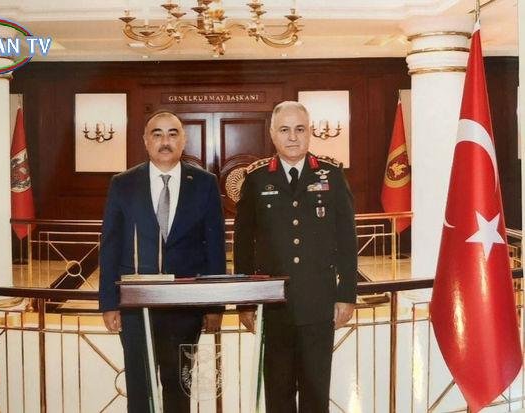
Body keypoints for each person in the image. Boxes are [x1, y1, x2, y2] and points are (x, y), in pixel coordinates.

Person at [234, 101, 357, 412]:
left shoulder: (331, 175)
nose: (292, 137)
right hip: (274, 305)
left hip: (318, 303)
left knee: (316, 392)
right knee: (278, 393)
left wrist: (346, 294)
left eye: (299, 129)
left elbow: (346, 239)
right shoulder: (257, 179)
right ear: (272, 134)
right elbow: (243, 245)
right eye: (285, 130)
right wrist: (245, 301)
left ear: (310, 132)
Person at [99, 110, 226, 413]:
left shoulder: (205, 183)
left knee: (178, 388)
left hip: (185, 307)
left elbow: (215, 248)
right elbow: (110, 245)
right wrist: (109, 303)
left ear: (183, 140)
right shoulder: (123, 184)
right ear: (145, 141)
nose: (165, 141)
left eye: (172, 134)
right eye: (157, 134)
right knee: (140, 390)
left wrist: (214, 305)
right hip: (135, 305)